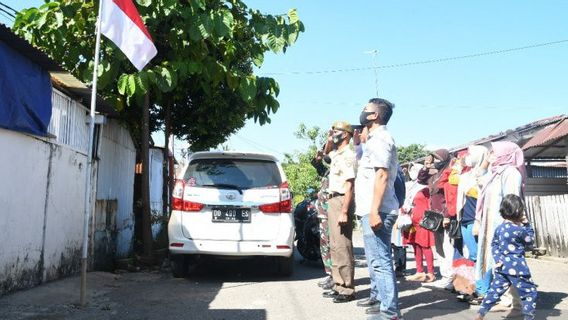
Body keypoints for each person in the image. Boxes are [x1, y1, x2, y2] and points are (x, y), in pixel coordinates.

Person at [354, 98, 401, 319]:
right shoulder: (372, 139)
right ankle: (384, 307)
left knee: (381, 263)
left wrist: (374, 211)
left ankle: (389, 313)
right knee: (377, 262)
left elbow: (382, 175)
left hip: (378, 210)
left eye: (366, 109)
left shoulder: (381, 138)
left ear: (375, 116)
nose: (362, 112)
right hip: (373, 209)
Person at [471, 141, 526, 307]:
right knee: (495, 260)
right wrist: (486, 161)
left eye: (494, 153)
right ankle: (503, 296)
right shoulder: (495, 173)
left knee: (506, 261)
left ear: (506, 154)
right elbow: (478, 177)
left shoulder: (511, 173)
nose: (491, 156)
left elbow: (512, 201)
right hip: (491, 225)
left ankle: (511, 300)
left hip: (504, 225)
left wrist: (507, 227)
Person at [475, 194, 537, 320]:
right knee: (530, 292)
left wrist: (498, 259)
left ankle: (481, 313)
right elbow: (530, 241)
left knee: (494, 291)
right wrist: (527, 225)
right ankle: (528, 317)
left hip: (502, 266)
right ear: (518, 211)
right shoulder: (519, 230)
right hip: (518, 268)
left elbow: (494, 244)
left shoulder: (499, 228)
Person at [321, 121, 357, 303]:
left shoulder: (348, 155)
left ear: (347, 135)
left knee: (342, 245)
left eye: (337, 131)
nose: (334, 133)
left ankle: (347, 289)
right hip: (333, 199)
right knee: (334, 245)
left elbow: (349, 184)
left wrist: (344, 210)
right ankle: (338, 284)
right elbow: (325, 154)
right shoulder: (337, 154)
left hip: (342, 199)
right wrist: (329, 138)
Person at [404, 158, 436, 283]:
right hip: (413, 221)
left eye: (414, 170)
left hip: (424, 221)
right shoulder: (412, 186)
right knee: (415, 245)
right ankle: (419, 271)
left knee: (425, 246)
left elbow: (422, 177)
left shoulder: (426, 187)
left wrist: (425, 168)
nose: (412, 172)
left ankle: (431, 273)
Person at [311, 150, 334, 290]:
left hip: (332, 213)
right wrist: (318, 160)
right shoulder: (329, 173)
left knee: (333, 245)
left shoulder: (340, 172)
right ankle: (331, 274)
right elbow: (320, 170)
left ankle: (336, 276)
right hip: (324, 214)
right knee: (325, 245)